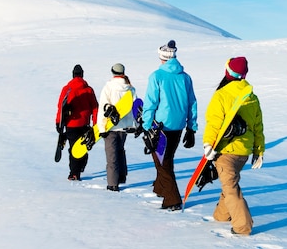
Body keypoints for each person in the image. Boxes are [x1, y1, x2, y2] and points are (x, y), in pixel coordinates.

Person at [202, 56, 264, 235]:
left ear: (227, 72)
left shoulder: (222, 95)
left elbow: (214, 122)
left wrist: (208, 144)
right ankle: (221, 215)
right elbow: (258, 127)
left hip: (226, 150)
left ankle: (243, 226)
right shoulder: (252, 97)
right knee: (229, 182)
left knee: (230, 187)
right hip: (243, 152)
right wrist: (258, 151)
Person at [142, 40, 198, 210]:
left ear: (162, 57)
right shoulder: (185, 77)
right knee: (167, 158)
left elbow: (151, 102)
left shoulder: (156, 76)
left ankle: (172, 199)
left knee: (162, 161)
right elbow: (192, 103)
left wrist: (145, 124)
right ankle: (160, 188)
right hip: (179, 125)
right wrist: (191, 127)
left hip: (161, 126)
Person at [97, 63, 137, 191]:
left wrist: (102, 128)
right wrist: (135, 125)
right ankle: (121, 176)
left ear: (112, 72)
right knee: (120, 151)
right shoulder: (130, 89)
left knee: (111, 155)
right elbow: (135, 108)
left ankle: (113, 184)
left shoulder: (108, 87)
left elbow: (103, 107)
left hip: (111, 127)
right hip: (125, 127)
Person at [56, 64, 99, 181]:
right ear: (82, 75)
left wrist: (58, 123)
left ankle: (74, 172)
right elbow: (95, 108)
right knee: (83, 147)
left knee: (73, 149)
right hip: (85, 124)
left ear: (73, 75)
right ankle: (80, 168)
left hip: (71, 124)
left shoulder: (67, 89)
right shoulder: (89, 90)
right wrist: (95, 123)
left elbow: (61, 106)